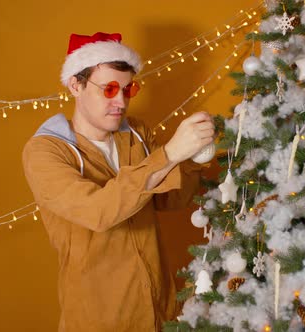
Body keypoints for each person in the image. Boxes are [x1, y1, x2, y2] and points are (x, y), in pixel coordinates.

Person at [22, 32, 215, 332]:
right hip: (100, 318)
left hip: (160, 310)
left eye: (128, 89)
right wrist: (171, 153)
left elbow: (170, 199)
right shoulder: (45, 151)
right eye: (109, 89)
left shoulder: (136, 133)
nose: (121, 101)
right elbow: (98, 211)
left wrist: (193, 157)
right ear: (76, 85)